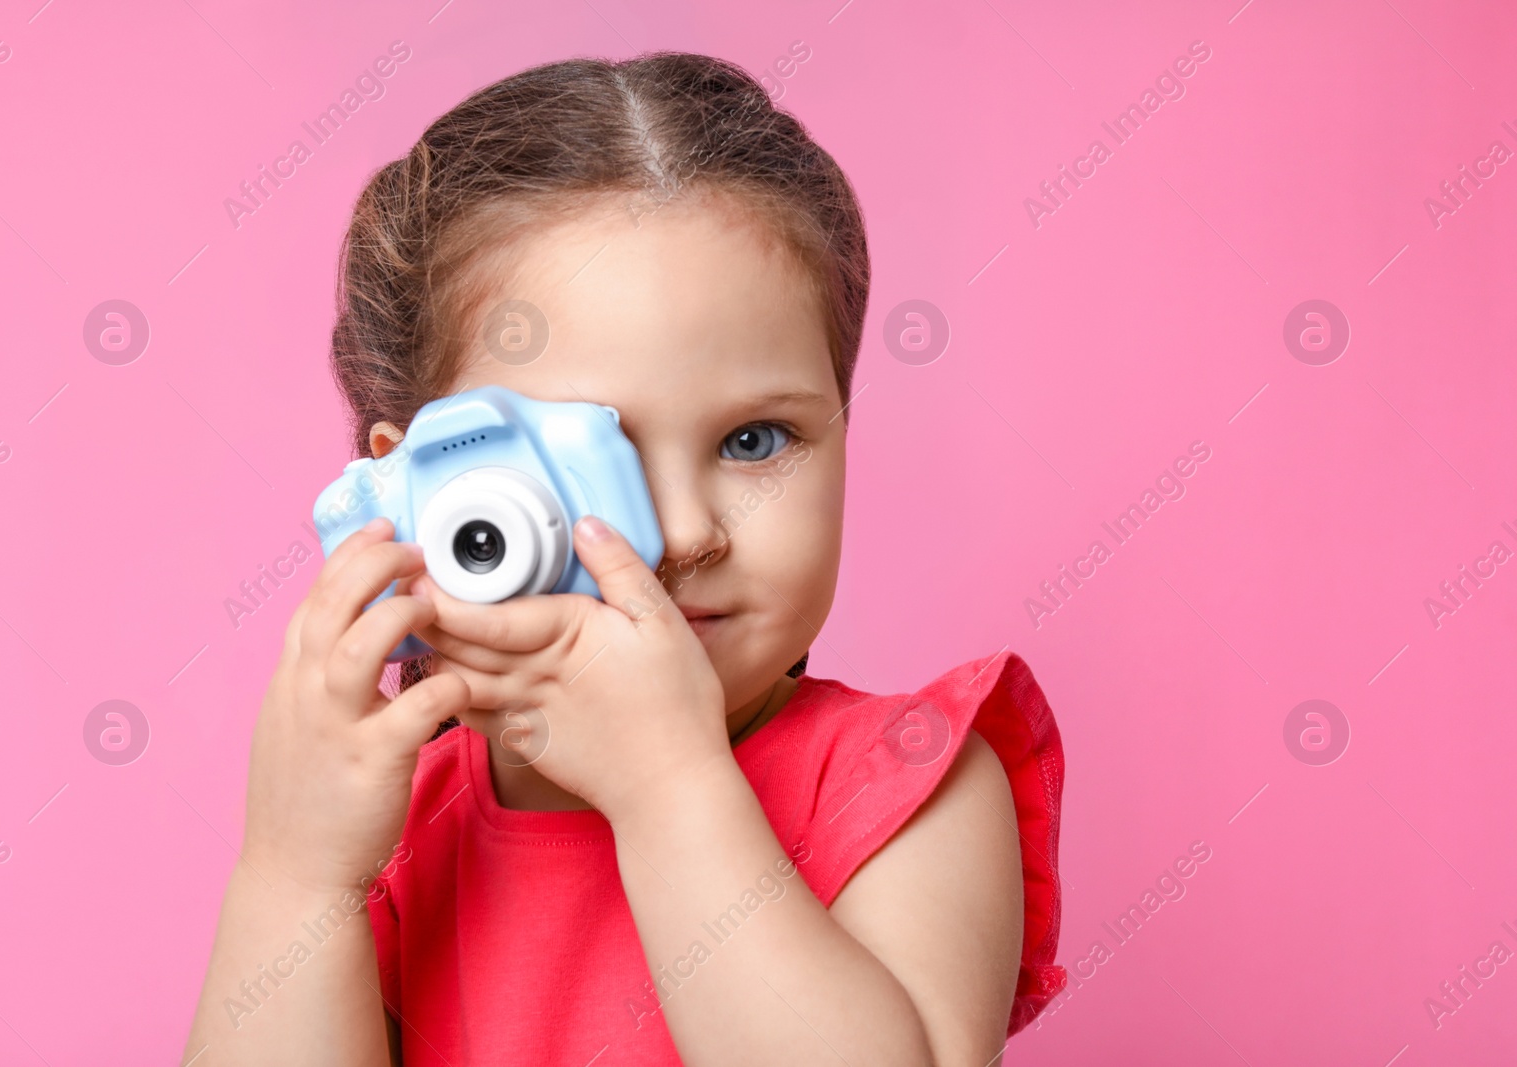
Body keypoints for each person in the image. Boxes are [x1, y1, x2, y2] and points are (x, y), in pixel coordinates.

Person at [184, 50, 1065, 1067]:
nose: (687, 531)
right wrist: (294, 877)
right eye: (599, 459)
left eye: (755, 439)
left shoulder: (908, 780)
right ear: (422, 487)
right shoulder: (392, 824)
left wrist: (667, 784)